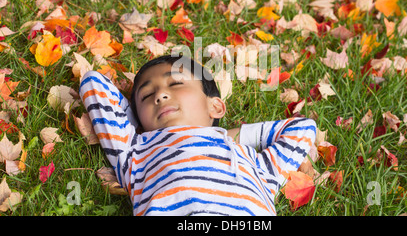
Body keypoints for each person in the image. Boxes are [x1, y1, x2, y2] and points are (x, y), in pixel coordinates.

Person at [79, 54, 317, 216]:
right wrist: (139, 126)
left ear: (215, 107)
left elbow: (301, 128)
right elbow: (93, 83)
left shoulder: (256, 165)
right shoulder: (135, 151)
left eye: (175, 84)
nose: (159, 96)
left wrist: (226, 135)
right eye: (146, 96)